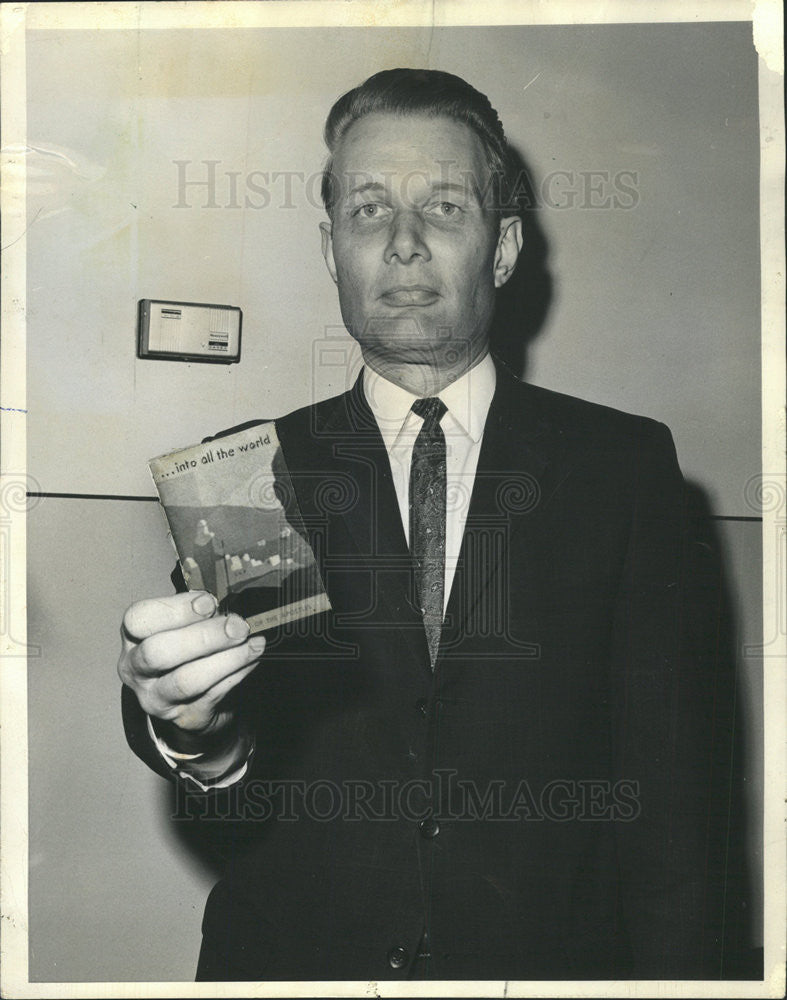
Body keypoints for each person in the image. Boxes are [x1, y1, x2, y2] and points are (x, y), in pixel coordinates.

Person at [118, 68, 749, 981]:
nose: (404, 244)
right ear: (331, 251)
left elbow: (679, 809)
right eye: (368, 210)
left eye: (444, 208)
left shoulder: (624, 470)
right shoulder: (248, 474)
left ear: (502, 250)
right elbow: (206, 741)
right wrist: (189, 731)